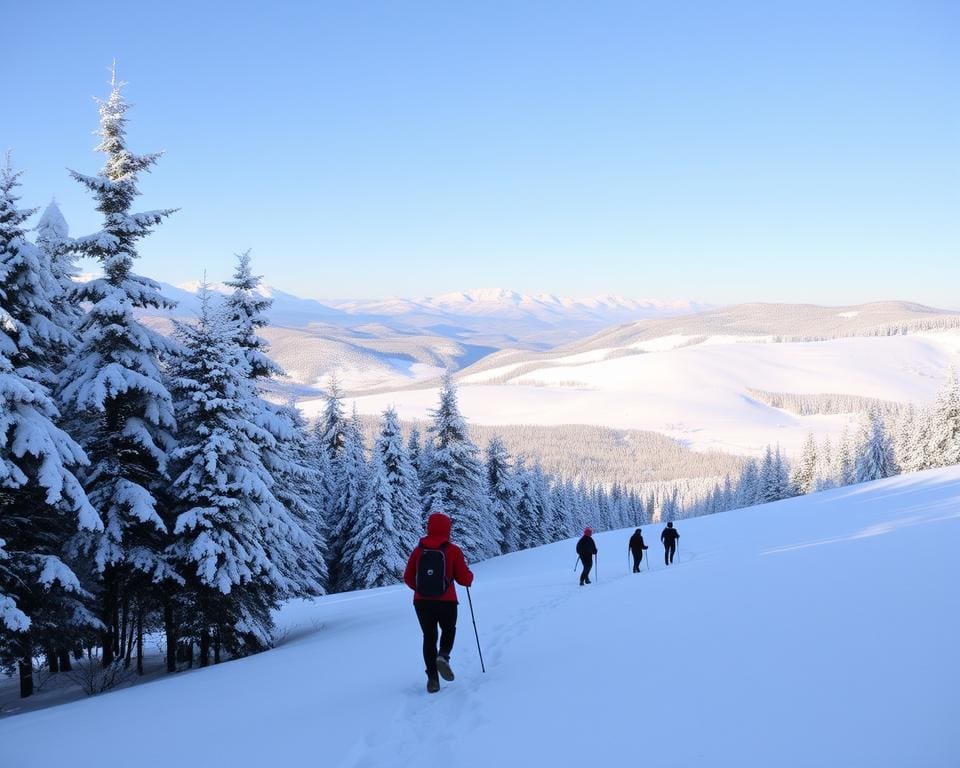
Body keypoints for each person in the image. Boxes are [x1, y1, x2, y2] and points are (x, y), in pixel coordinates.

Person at [403, 511, 474, 693]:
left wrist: (421, 590)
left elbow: (408, 577)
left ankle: (433, 679)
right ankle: (443, 656)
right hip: (447, 601)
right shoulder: (453, 550)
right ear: (447, 529)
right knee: (449, 630)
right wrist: (469, 576)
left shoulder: (419, 550)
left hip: (421, 602)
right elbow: (464, 579)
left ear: (429, 527)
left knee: (429, 637)